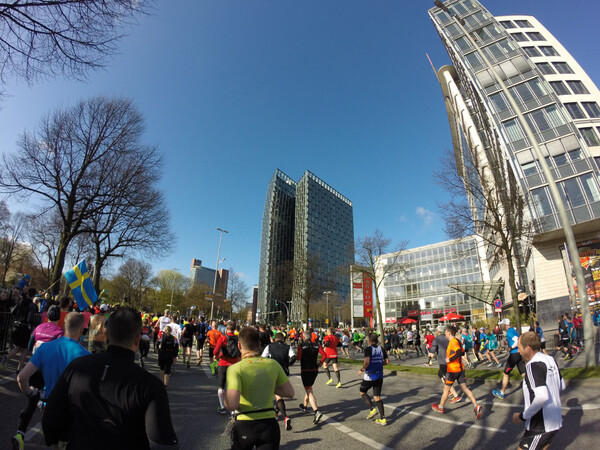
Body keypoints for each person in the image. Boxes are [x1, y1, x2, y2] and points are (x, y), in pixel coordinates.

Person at [43, 307, 179, 449]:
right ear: (137, 340)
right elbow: (163, 443)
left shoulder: (77, 368)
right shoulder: (151, 386)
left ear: (106, 335)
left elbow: (50, 418)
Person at [11, 306, 71, 449]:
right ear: (59, 318)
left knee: (32, 400)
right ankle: (52, 440)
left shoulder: (38, 328)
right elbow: (60, 351)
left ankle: (20, 433)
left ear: (47, 316)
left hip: (35, 367)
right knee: (49, 402)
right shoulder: (60, 332)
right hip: (49, 369)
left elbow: (30, 344)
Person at [225, 326, 294, 450]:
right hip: (269, 425)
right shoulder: (273, 364)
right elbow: (289, 392)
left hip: (245, 423)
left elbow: (232, 404)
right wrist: (269, 384)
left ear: (239, 345)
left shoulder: (235, 369)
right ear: (259, 344)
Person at [512, 331, 565, 450]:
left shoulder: (532, 365)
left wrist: (522, 416)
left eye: (519, 348)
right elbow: (562, 385)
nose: (518, 351)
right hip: (555, 420)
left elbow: (542, 396)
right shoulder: (550, 359)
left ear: (528, 348)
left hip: (540, 424)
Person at [432, 326, 483, 420]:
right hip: (460, 369)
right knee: (464, 389)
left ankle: (440, 407)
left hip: (453, 370)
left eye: (446, 332)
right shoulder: (458, 341)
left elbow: (459, 352)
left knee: (446, 389)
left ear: (449, 333)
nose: (445, 334)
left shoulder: (453, 342)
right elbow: (463, 353)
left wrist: (449, 359)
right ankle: (476, 405)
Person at [262, 332, 296, 430]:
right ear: (283, 339)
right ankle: (276, 412)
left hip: (272, 371)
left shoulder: (269, 346)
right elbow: (293, 357)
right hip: (284, 371)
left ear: (275, 339)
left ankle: (285, 417)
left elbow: (263, 358)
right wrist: (288, 364)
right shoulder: (287, 347)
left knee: (278, 396)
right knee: (279, 394)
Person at [1, 287, 38, 373]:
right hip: (24, 328)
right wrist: (37, 324)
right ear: (33, 296)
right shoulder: (32, 305)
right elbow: (29, 319)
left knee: (17, 347)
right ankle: (19, 368)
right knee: (24, 349)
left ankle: (9, 359)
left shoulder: (21, 301)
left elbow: (13, 311)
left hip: (16, 326)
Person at [296, 329, 327, 424]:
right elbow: (324, 355)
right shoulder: (317, 345)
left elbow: (298, 358)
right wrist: (320, 363)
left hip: (305, 370)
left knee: (309, 391)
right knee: (309, 388)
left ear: (303, 337)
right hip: (314, 370)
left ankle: (316, 411)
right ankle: (304, 406)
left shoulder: (301, 345)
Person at [358, 333, 390, 425]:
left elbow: (367, 361)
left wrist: (361, 369)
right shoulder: (381, 349)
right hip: (379, 375)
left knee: (362, 392)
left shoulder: (368, 349)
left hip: (370, 376)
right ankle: (383, 418)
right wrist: (379, 364)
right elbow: (387, 362)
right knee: (377, 397)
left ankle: (372, 409)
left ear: (369, 340)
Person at [493, 318, 526, 400]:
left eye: (501, 324)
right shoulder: (514, 330)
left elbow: (517, 340)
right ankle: (534, 387)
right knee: (524, 373)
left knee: (505, 373)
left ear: (505, 324)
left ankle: (502, 392)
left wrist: (510, 347)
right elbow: (516, 339)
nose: (500, 326)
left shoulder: (509, 331)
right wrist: (508, 342)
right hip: (519, 354)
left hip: (514, 354)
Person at [213, 321, 241, 414]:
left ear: (226, 329)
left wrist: (217, 356)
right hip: (235, 364)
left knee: (221, 386)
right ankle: (233, 410)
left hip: (224, 364)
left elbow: (215, 351)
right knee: (232, 387)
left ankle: (222, 407)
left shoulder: (223, 338)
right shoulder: (238, 339)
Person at [428, 327, 461, 402]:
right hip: (451, 360)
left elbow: (433, 349)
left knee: (446, 378)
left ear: (438, 331)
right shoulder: (451, 338)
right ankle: (449, 390)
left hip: (443, 361)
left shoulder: (437, 339)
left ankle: (455, 395)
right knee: (440, 374)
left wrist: (429, 352)